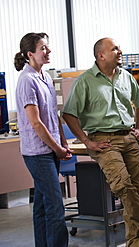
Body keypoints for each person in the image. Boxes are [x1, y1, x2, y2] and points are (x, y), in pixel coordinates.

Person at [62, 37, 139, 247]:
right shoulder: (85, 81)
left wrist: (138, 127)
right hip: (104, 141)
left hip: (129, 138)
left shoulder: (126, 77)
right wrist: (86, 141)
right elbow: (68, 114)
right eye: (114, 49)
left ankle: (134, 243)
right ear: (101, 55)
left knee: (136, 193)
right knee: (123, 187)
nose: (120, 51)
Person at [14, 32, 72, 247]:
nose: (48, 51)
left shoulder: (45, 77)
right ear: (30, 54)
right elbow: (36, 123)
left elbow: (53, 115)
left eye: (47, 47)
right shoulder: (27, 81)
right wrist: (57, 148)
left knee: (41, 206)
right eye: (43, 49)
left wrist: (63, 143)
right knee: (56, 207)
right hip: (38, 153)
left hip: (51, 149)